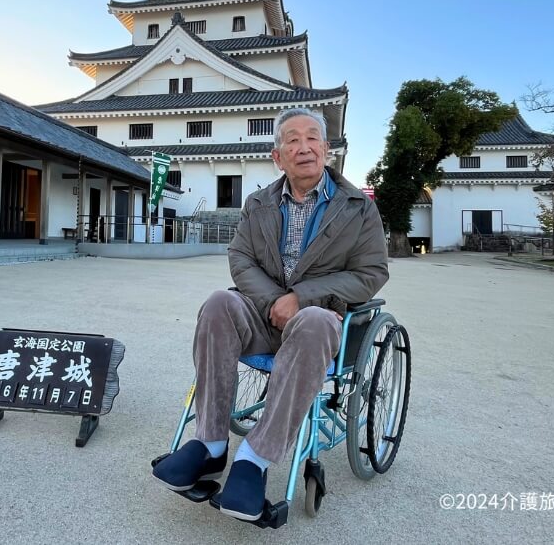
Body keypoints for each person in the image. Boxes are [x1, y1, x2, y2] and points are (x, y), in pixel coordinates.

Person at [152, 107, 389, 521]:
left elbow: (372, 273)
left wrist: (302, 297)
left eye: (312, 138)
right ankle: (210, 444)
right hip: (263, 319)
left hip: (317, 321)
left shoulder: (358, 207)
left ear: (327, 150)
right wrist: (273, 303)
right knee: (218, 303)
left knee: (314, 321)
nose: (304, 148)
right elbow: (240, 257)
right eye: (291, 140)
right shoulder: (259, 203)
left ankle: (255, 457)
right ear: (277, 156)